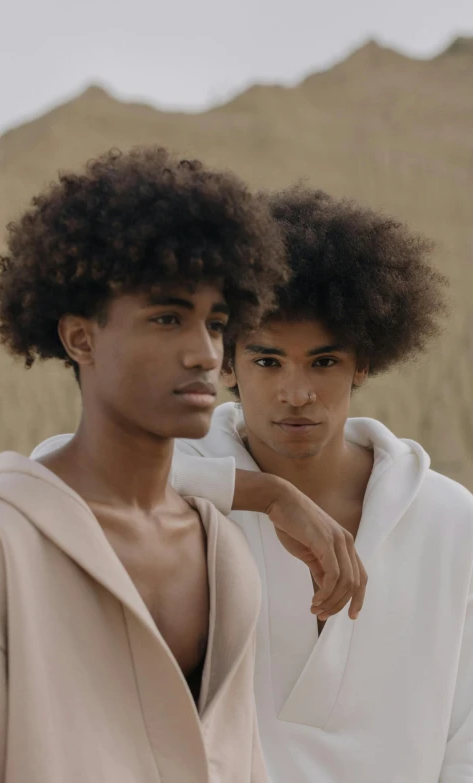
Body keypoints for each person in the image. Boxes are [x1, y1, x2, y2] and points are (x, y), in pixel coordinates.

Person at [35, 183, 473, 783]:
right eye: (267, 361)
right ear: (226, 363)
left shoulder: (450, 518)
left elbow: (465, 735)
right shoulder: (181, 477)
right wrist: (263, 495)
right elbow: (49, 476)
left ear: (363, 362)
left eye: (323, 362)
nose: (296, 393)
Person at [0, 147, 297, 783]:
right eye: (167, 318)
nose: (203, 353)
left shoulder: (223, 555)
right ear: (81, 338)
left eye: (216, 324)